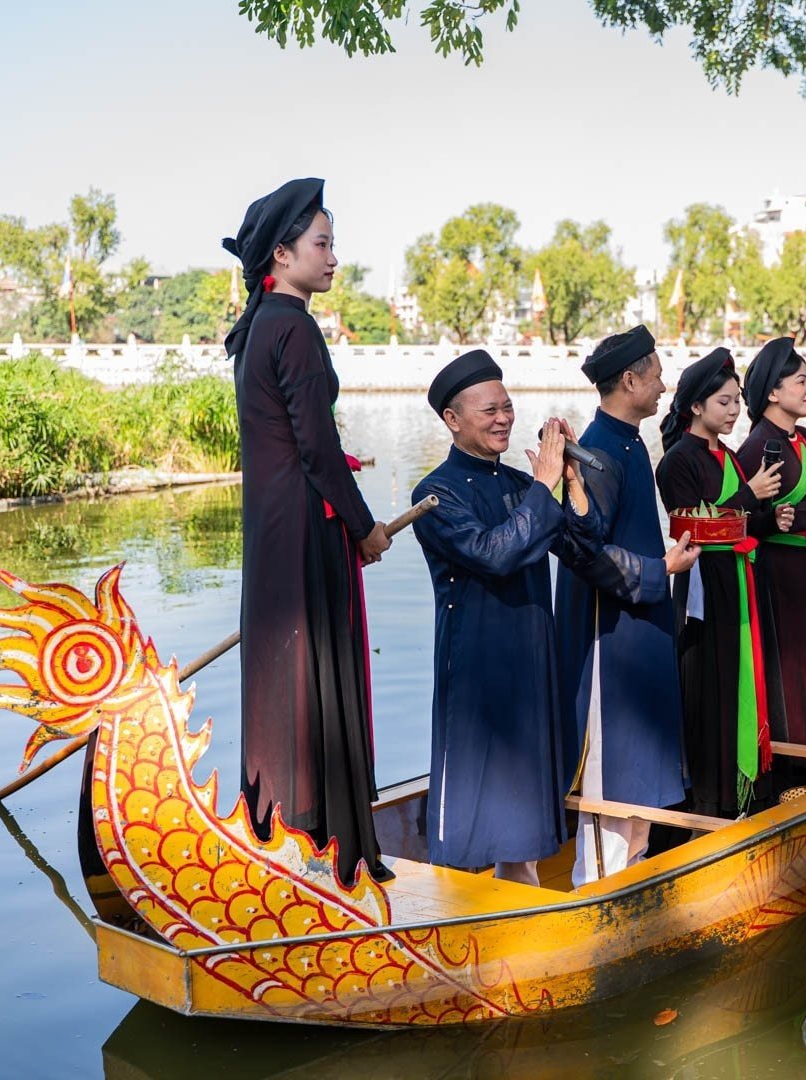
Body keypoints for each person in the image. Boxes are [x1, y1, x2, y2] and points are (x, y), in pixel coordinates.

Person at [222, 178, 393, 883]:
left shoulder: (262, 323)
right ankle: (321, 845)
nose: (332, 258)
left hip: (274, 529)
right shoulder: (290, 324)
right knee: (312, 675)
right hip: (304, 528)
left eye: (332, 245)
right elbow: (316, 448)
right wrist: (364, 527)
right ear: (283, 252)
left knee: (284, 677)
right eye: (321, 244)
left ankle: (278, 834)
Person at [411, 350, 602, 887]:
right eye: (488, 410)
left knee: (524, 803)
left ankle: (522, 888)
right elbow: (495, 553)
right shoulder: (435, 493)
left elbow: (582, 548)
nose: (503, 419)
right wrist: (542, 488)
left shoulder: (521, 484)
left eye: (507, 407)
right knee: (474, 795)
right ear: (452, 420)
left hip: (530, 657)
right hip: (476, 664)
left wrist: (571, 483)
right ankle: (458, 896)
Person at [555, 326, 700, 889]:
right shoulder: (596, 454)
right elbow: (584, 554)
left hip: (641, 630)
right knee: (613, 784)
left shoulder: (629, 442)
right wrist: (659, 569)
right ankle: (593, 894)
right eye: (657, 375)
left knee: (640, 796)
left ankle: (629, 887)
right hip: (608, 641)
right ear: (630, 380)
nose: (665, 386)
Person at [655, 348, 789, 818]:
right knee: (709, 691)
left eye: (736, 402)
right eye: (724, 403)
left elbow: (743, 523)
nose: (734, 411)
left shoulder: (728, 456)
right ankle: (710, 798)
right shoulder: (677, 462)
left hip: (737, 583)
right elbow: (692, 527)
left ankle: (747, 786)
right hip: (702, 590)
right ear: (695, 407)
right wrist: (748, 495)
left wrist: (772, 518)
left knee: (742, 683)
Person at [736, 338, 806, 790]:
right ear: (772, 392)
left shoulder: (804, 440)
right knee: (788, 670)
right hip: (777, 577)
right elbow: (743, 520)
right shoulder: (756, 448)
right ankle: (787, 772)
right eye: (801, 380)